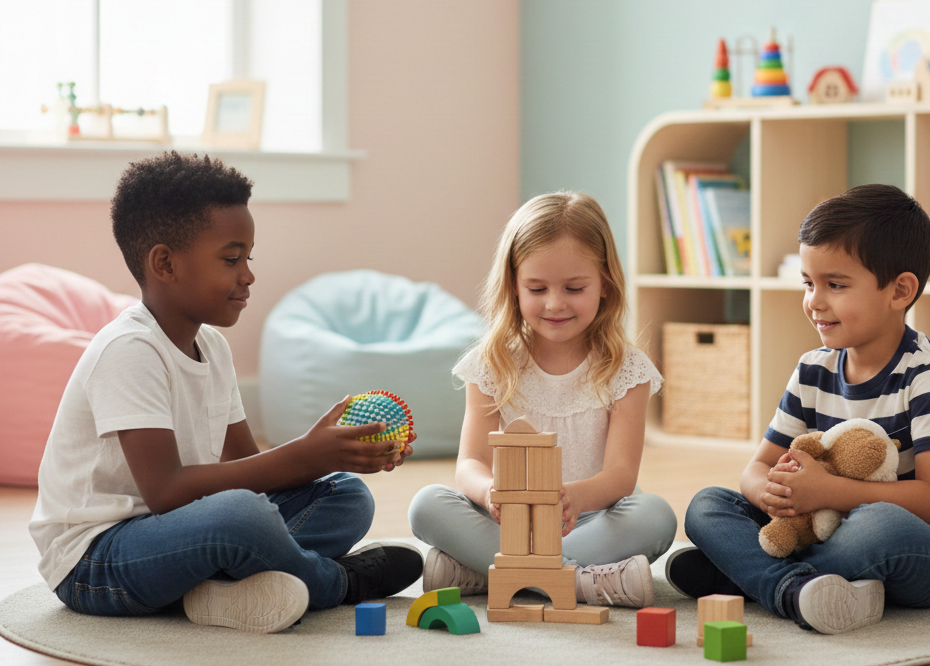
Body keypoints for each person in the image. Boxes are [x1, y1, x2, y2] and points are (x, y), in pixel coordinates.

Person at [29, 151, 423, 634]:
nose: (249, 274)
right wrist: (302, 456)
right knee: (239, 516)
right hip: (97, 561)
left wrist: (323, 454)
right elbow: (167, 492)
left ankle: (219, 588)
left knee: (347, 496)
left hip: (181, 535)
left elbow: (246, 468)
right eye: (232, 258)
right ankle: (335, 584)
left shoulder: (210, 345)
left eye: (248, 258)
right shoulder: (129, 350)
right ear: (165, 264)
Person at [667, 184, 930, 633]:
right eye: (808, 283)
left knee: (878, 527)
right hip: (822, 527)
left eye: (835, 285)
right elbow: (755, 469)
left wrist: (826, 493)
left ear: (900, 291)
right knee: (707, 505)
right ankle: (797, 590)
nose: (814, 301)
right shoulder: (812, 369)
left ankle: (747, 576)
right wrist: (770, 493)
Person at [408, 191, 677, 608]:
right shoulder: (493, 362)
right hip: (504, 520)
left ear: (605, 284)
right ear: (513, 286)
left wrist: (575, 499)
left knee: (656, 516)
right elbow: (470, 464)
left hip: (588, 520)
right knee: (426, 505)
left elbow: (621, 475)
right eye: (537, 288)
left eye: (574, 287)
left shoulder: (627, 369)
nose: (555, 303)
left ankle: (488, 573)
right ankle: (578, 581)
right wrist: (489, 491)